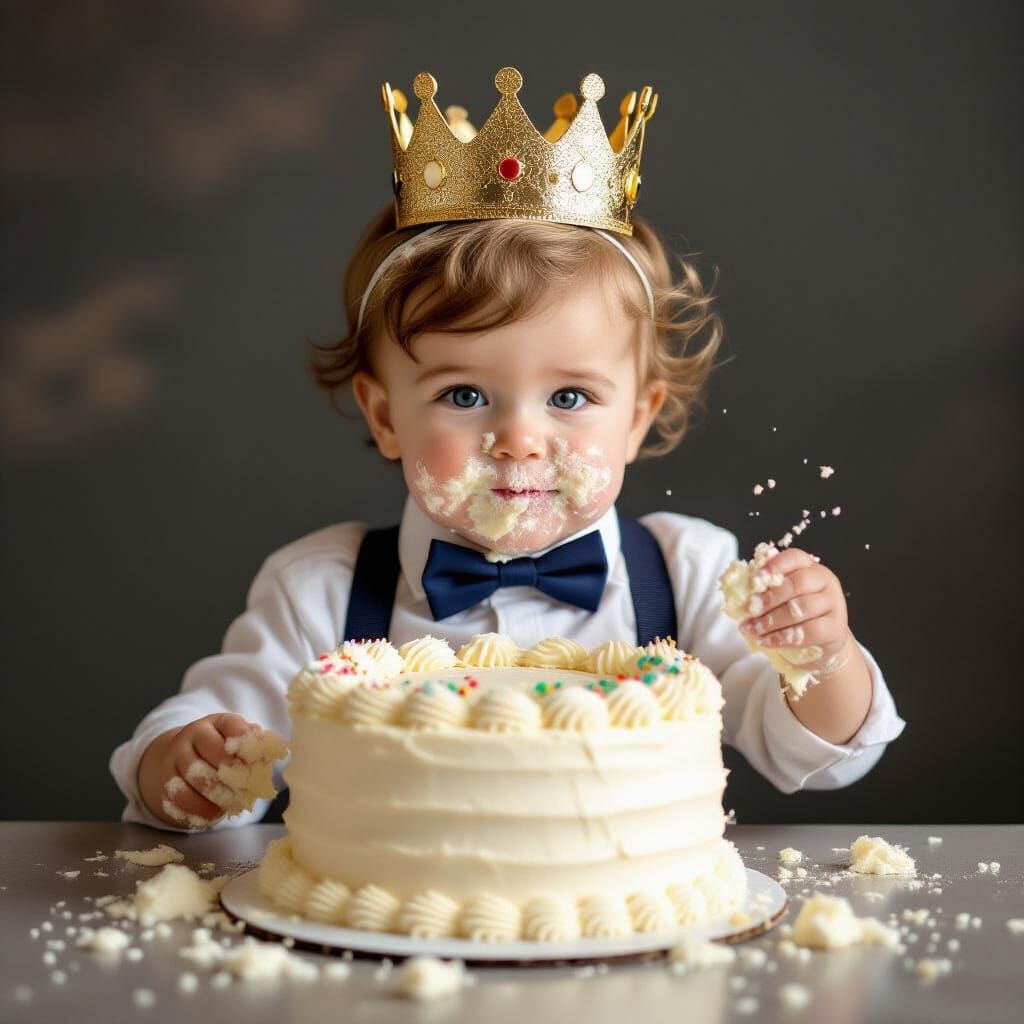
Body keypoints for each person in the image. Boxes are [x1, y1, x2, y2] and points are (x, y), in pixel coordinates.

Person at [110, 68, 904, 833]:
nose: (520, 439)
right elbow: (213, 733)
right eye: (464, 396)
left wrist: (819, 656)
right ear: (385, 417)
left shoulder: (686, 576)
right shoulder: (321, 591)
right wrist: (188, 766)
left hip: (633, 938)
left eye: (569, 398)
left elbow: (824, 756)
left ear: (638, 417)